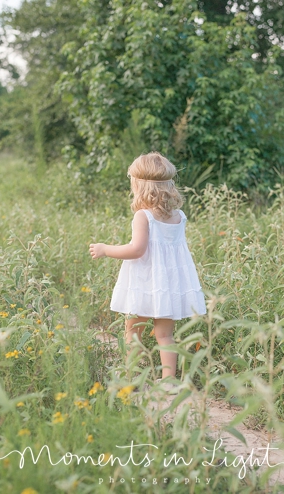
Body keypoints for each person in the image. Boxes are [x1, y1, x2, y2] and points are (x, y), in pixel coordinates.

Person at [89, 152, 206, 392]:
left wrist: (105, 249)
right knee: (165, 335)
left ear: (139, 186)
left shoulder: (143, 216)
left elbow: (137, 250)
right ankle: (169, 381)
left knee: (133, 332)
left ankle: (131, 379)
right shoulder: (179, 217)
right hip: (168, 284)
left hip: (143, 282)